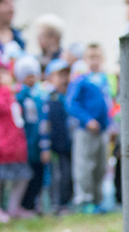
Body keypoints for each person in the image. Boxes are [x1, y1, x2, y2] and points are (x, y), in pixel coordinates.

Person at [0, 50, 32, 223]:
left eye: (4, 70)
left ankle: (13, 207)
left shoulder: (7, 90)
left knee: (22, 175)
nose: (2, 74)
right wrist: (6, 92)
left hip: (12, 141)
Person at [66, 42, 111, 213]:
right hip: (86, 130)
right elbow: (71, 104)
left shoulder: (106, 80)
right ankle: (85, 199)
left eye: (98, 57)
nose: (95, 61)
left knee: (101, 166)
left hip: (103, 130)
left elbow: (109, 103)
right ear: (85, 59)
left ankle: (98, 200)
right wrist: (87, 120)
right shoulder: (81, 81)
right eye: (91, 57)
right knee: (84, 165)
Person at [14, 54, 50, 214]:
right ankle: (24, 205)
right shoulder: (19, 96)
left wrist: (45, 145)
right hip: (25, 143)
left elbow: (43, 121)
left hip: (38, 142)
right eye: (27, 75)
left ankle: (34, 205)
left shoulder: (39, 95)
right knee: (26, 176)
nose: (31, 78)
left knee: (39, 175)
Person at [44, 58, 72, 214]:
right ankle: (55, 204)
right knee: (56, 175)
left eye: (66, 75)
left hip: (67, 145)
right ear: (50, 78)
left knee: (67, 174)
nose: (64, 79)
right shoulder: (48, 98)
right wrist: (46, 145)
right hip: (54, 146)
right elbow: (45, 125)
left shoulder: (69, 97)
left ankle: (65, 202)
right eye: (59, 76)